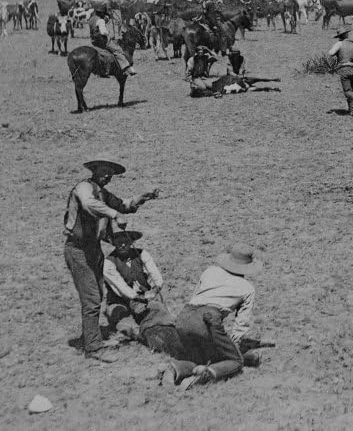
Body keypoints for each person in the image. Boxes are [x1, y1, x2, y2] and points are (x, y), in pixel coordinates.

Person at [64, 158, 159, 363]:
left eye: (111, 174)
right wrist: (115, 215)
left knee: (97, 295)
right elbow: (90, 205)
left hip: (94, 249)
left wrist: (143, 197)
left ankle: (92, 338)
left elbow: (124, 205)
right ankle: (93, 347)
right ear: (94, 170)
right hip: (79, 250)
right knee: (91, 298)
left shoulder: (102, 192)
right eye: (104, 171)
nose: (107, 176)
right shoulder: (84, 188)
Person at [161, 243, 263, 390]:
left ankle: (174, 369)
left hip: (185, 316)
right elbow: (242, 322)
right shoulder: (247, 288)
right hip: (208, 319)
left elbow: (196, 294)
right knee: (236, 361)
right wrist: (234, 342)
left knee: (199, 358)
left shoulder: (210, 271)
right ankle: (205, 375)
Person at [103, 229, 180, 353]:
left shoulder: (142, 254)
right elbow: (121, 288)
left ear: (131, 241)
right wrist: (138, 298)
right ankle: (141, 336)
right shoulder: (108, 262)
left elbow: (156, 277)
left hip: (144, 299)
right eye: (119, 241)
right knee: (124, 324)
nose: (123, 245)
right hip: (120, 302)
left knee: (159, 312)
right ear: (113, 242)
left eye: (126, 241)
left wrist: (154, 290)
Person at [89, 6, 136, 76]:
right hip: (102, 41)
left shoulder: (91, 19)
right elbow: (103, 32)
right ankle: (126, 68)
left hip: (94, 41)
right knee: (118, 50)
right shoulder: (100, 20)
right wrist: (107, 32)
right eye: (104, 13)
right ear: (101, 13)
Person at [328, 26, 353, 117]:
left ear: (339, 36)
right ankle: (352, 111)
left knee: (347, 91)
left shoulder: (339, 44)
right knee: (351, 90)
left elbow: (330, 53)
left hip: (344, 69)